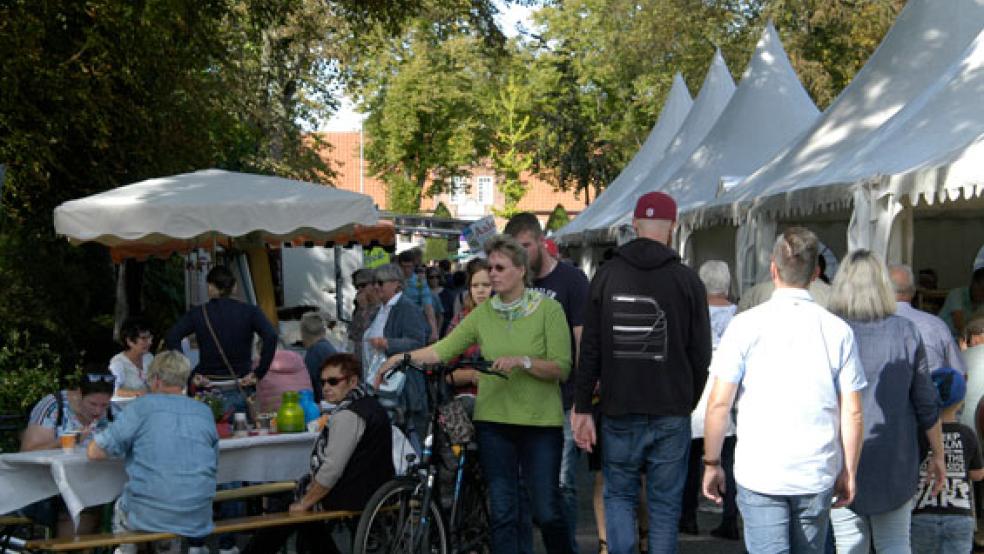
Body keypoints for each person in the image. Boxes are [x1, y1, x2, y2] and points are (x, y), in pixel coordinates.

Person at [380, 234, 574, 554]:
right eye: (490, 267)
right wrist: (401, 358)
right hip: (495, 422)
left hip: (539, 425)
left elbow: (562, 368)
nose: (493, 273)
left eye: (499, 267)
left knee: (547, 511)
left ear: (520, 271)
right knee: (502, 511)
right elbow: (443, 349)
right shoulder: (484, 314)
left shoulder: (548, 310)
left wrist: (524, 362)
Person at [702, 227, 867, 554]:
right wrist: (849, 469)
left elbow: (719, 404)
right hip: (815, 468)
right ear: (816, 273)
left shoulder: (744, 325)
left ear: (773, 268)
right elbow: (853, 410)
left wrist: (711, 461)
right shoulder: (838, 330)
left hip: (760, 469)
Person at [572, 192, 712, 554]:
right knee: (665, 507)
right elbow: (701, 354)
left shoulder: (606, 275)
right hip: (670, 411)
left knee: (619, 496)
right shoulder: (688, 281)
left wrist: (583, 405)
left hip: (620, 409)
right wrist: (686, 398)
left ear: (634, 225)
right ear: (674, 227)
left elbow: (590, 349)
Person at [825, 250, 945, 553]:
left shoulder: (829, 330)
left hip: (840, 452)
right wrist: (938, 454)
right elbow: (926, 401)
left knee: (849, 544)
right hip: (895, 455)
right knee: (895, 544)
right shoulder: (905, 331)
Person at [243, 353, 393, 554]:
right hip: (374, 490)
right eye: (323, 382)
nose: (326, 387)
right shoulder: (372, 405)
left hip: (353, 495)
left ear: (353, 381)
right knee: (300, 511)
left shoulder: (348, 415)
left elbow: (331, 469)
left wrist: (305, 502)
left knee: (288, 506)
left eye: (333, 381)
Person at [505, 212, 590, 553]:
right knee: (524, 485)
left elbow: (583, 341)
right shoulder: (516, 281)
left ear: (541, 241)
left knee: (562, 484)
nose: (521, 254)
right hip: (523, 400)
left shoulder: (571, 280)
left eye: (525, 246)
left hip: (562, 398)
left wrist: (581, 401)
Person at [88, 351, 218, 554]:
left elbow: (96, 452)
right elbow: (214, 461)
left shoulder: (142, 407)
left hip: (150, 512)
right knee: (169, 503)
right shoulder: (204, 411)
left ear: (156, 380)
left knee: (124, 507)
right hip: (197, 513)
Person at [19, 364, 120, 536]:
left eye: (104, 405)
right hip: (47, 487)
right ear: (79, 393)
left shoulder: (113, 412)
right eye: (93, 404)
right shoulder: (54, 406)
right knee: (82, 505)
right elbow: (27, 452)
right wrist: (66, 441)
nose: (98, 411)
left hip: (96, 482)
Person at [165, 265, 278, 414]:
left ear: (211, 287)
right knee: (242, 432)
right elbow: (271, 335)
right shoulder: (250, 312)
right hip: (242, 383)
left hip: (206, 385)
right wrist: (259, 373)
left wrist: (189, 374)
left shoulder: (199, 313)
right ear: (235, 287)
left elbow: (172, 337)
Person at [681, 260, 738, 540]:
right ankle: (730, 518)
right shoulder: (738, 318)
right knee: (728, 462)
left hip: (695, 399)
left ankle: (688, 515)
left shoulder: (691, 314)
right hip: (728, 403)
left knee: (690, 462)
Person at [910, 367, 984, 554]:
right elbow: (978, 474)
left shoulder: (919, 433)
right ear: (961, 403)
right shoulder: (967, 434)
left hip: (922, 514)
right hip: (959, 517)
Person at [888, 263, 966, 375]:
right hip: (932, 389)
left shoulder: (868, 327)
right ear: (914, 292)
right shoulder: (936, 325)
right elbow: (960, 374)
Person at [446, 257, 492, 396]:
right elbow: (447, 373)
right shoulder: (461, 320)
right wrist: (472, 375)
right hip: (469, 400)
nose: (480, 290)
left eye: (486, 285)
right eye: (475, 285)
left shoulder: (509, 317)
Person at [397, 249, 439, 343]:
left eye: (409, 267)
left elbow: (428, 307)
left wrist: (434, 330)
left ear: (413, 266)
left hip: (414, 325)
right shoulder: (393, 281)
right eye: (403, 267)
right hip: (395, 325)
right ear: (399, 266)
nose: (406, 270)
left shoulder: (420, 282)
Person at [108, 316, 154, 396]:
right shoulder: (118, 363)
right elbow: (112, 390)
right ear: (129, 341)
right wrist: (138, 394)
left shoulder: (149, 358)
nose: (150, 342)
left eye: (150, 337)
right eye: (144, 338)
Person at [300, 312, 337, 402]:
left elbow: (308, 382)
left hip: (325, 402)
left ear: (304, 333)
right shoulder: (327, 346)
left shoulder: (315, 351)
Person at [939, 265, 984, 338]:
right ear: (974, 283)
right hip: (944, 338)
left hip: (963, 341)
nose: (983, 293)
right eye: (982, 289)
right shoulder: (956, 294)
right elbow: (959, 324)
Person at [348, 268, 380, 366]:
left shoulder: (383, 307)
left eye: (363, 285)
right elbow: (353, 335)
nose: (360, 290)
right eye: (357, 287)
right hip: (361, 362)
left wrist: (365, 309)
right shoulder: (359, 308)